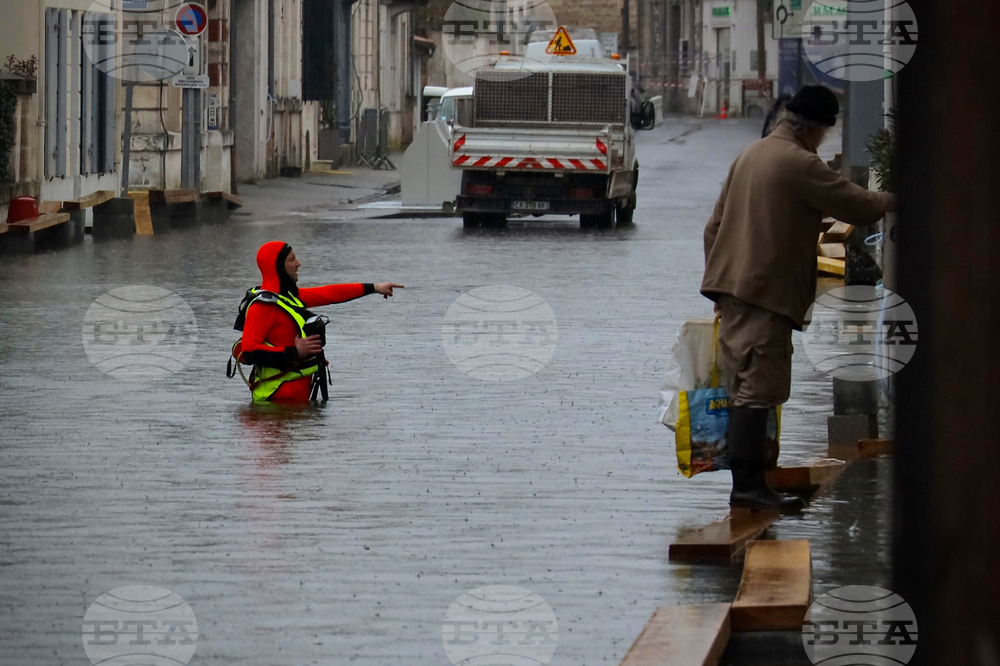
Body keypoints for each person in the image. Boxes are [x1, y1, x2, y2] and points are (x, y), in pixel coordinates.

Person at [701, 85, 897, 512]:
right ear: (818, 129)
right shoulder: (799, 163)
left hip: (735, 289)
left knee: (742, 387)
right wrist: (897, 198)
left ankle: (754, 485)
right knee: (757, 390)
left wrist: (718, 284)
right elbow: (859, 205)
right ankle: (749, 489)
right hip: (765, 291)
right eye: (827, 131)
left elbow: (713, 227)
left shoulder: (750, 155)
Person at [231, 241, 404, 403]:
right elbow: (250, 351)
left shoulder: (287, 298)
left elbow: (330, 294)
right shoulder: (262, 307)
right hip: (274, 403)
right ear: (278, 266)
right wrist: (295, 352)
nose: (298, 263)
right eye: (292, 259)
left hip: (295, 404)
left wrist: (374, 288)